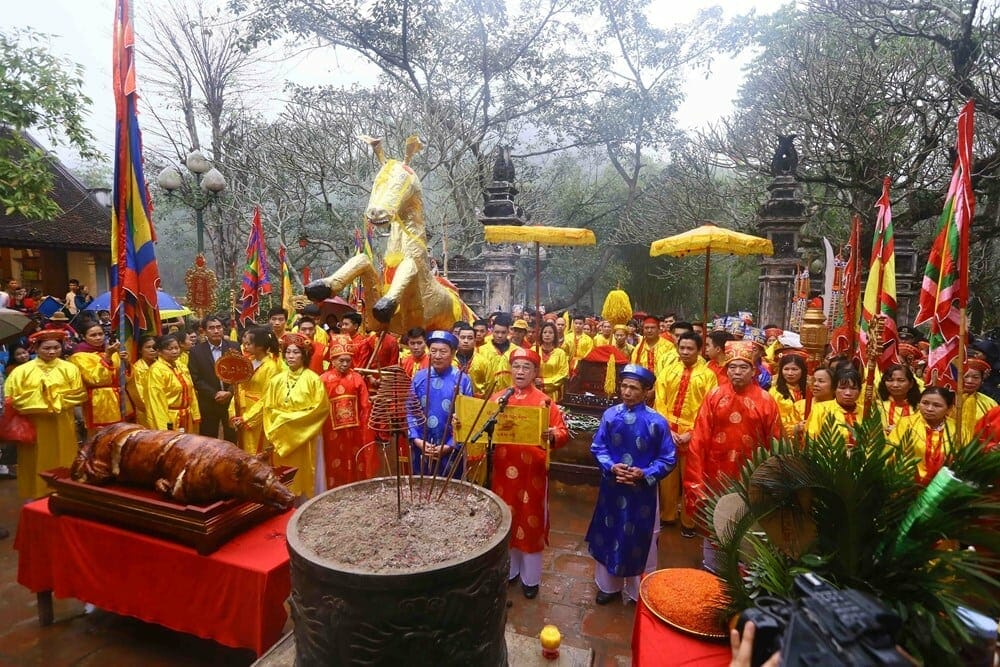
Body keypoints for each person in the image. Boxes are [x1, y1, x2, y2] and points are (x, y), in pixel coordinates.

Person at [686, 340, 782, 572]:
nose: (737, 372)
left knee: (747, 524)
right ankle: (713, 569)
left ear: (754, 370)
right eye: (732, 367)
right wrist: (696, 480)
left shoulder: (766, 401)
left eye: (743, 367)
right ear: (726, 370)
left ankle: (743, 572)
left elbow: (776, 443)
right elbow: (699, 440)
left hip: (752, 476)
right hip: (715, 475)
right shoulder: (714, 396)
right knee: (715, 522)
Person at [586, 364, 676, 604]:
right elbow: (598, 447)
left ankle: (638, 590)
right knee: (609, 532)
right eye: (624, 386)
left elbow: (668, 458)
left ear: (646, 391)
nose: (626, 392)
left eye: (633, 388)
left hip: (642, 492)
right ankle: (608, 586)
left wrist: (644, 473)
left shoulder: (657, 422)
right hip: (612, 486)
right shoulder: (610, 415)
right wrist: (611, 466)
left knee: (639, 538)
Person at [489, 347, 569, 599]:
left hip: (532, 472)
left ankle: (530, 578)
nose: (520, 372)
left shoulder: (545, 402)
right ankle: (510, 571)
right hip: (503, 470)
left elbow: (562, 431)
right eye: (516, 366)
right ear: (510, 370)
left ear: (535, 372)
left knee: (530, 520)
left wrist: (552, 435)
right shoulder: (498, 398)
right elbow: (480, 425)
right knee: (506, 517)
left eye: (526, 367)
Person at [240, 333, 329, 499]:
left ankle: (305, 502)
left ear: (304, 355)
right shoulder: (277, 380)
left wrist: (286, 420)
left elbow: (319, 410)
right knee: (282, 473)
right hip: (281, 436)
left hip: (304, 436)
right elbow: (268, 407)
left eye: (296, 352)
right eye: (288, 352)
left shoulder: (313, 380)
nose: (291, 356)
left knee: (304, 472)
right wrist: (279, 423)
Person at [3, 329, 87, 499]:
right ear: (36, 348)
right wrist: (46, 400)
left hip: (62, 421)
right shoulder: (21, 371)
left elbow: (79, 394)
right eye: (46, 348)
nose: (52, 352)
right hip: (33, 424)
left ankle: (65, 491)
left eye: (56, 347)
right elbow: (12, 398)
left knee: (64, 455)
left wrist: (51, 399)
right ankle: (35, 493)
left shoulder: (70, 368)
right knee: (33, 458)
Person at [654, 331, 717, 537]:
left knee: (691, 478)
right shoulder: (668, 371)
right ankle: (667, 515)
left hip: (695, 433)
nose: (685, 352)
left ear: (699, 350)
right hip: (669, 431)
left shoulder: (708, 376)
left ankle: (689, 521)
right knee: (667, 477)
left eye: (690, 348)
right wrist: (668, 429)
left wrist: (691, 432)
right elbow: (660, 401)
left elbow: (709, 407)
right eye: (682, 348)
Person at [407, 331, 473, 478]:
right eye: (433, 351)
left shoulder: (462, 380)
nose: (437, 356)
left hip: (451, 449)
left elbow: (467, 417)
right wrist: (417, 440)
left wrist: (450, 444)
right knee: (421, 484)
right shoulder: (419, 378)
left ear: (453, 353)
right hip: (422, 446)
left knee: (449, 486)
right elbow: (410, 411)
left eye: (443, 352)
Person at [319, 334, 376, 488]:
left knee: (353, 458)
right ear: (332, 360)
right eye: (341, 360)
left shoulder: (357, 378)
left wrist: (365, 425)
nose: (345, 364)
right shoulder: (323, 379)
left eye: (348, 360)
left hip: (354, 430)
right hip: (330, 430)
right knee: (332, 459)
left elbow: (365, 405)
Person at [70, 320, 132, 438]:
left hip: (120, 398)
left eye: (100, 334)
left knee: (121, 435)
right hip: (98, 401)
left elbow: (125, 379)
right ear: (83, 337)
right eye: (93, 335)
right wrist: (107, 357)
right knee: (103, 437)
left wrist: (126, 363)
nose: (98, 338)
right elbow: (95, 379)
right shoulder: (79, 356)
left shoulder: (112, 351)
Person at [889, 386, 958, 484]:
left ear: (949, 408)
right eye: (925, 403)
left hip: (944, 486)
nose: (929, 409)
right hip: (908, 484)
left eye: (937, 405)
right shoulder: (906, 424)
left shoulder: (958, 429)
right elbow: (891, 453)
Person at [229, 327, 281, 454]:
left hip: (258, 414)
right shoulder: (248, 362)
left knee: (255, 450)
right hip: (242, 409)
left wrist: (247, 418)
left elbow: (268, 398)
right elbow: (238, 387)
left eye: (249, 344)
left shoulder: (271, 367)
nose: (245, 346)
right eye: (244, 343)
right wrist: (233, 412)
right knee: (242, 447)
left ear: (260, 346)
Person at [188, 315, 239, 443]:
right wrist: (214, 393)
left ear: (223, 329)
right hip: (209, 402)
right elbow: (196, 378)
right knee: (208, 439)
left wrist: (230, 392)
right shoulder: (196, 351)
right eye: (211, 328)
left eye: (218, 327)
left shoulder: (234, 347)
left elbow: (240, 373)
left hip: (231, 401)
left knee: (232, 437)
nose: (216, 331)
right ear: (204, 331)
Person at [145, 333, 201, 433]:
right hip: (171, 418)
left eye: (176, 348)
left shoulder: (180, 366)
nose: (175, 351)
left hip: (187, 416)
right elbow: (156, 403)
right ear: (159, 352)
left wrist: (195, 414)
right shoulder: (156, 371)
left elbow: (191, 391)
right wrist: (164, 428)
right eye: (170, 349)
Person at [806, 367, 863, 444]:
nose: (848, 393)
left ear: (859, 391)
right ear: (834, 389)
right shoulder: (821, 409)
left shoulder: (867, 411)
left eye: (853, 388)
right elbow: (811, 439)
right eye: (842, 388)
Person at [770, 351, 808, 439]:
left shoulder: (809, 390)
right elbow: (775, 419)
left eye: (794, 369)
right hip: (784, 439)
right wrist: (794, 428)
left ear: (802, 370)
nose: (790, 373)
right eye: (786, 369)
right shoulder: (775, 392)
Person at [958, 358, 998, 440]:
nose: (970, 381)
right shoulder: (946, 400)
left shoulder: (990, 403)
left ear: (982, 380)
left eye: (975, 377)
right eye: (965, 376)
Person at [876, 364, 921, 434]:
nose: (895, 385)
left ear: (911, 383)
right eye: (890, 380)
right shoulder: (877, 405)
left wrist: (899, 430)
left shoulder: (920, 408)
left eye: (901, 380)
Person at [127, 335, 158, 428]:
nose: (152, 350)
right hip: (146, 411)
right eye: (148, 347)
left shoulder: (161, 366)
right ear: (140, 350)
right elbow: (138, 395)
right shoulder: (137, 369)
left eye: (154, 347)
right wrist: (155, 406)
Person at [536, 321, 569, 402]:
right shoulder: (534, 350)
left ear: (555, 335)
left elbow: (563, 375)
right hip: (535, 391)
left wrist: (544, 382)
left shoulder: (560, 353)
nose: (547, 335)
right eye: (545, 332)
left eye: (550, 333)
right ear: (541, 335)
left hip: (554, 393)